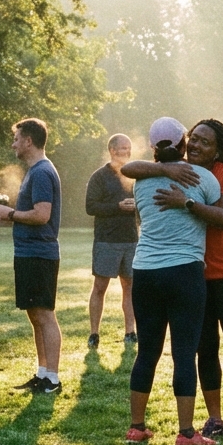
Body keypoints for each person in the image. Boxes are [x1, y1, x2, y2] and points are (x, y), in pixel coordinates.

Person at [125, 121, 223, 441]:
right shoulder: (174, 168)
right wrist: (165, 172)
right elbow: (132, 167)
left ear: (218, 150)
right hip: (195, 275)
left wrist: (188, 203)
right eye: (193, 138)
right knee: (204, 349)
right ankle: (215, 420)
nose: (196, 145)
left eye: (205, 142)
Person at [122, 117, 222, 445]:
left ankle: (137, 427)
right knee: (183, 354)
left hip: (146, 272)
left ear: (152, 148)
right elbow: (220, 215)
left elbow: (138, 208)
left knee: (146, 352)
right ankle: (186, 433)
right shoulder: (204, 178)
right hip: (185, 272)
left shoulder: (140, 182)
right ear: (183, 142)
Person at [0, 118, 64, 394]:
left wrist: (11, 215)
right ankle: (43, 373)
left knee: (44, 315)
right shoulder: (35, 171)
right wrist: (12, 216)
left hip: (39, 254)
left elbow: (42, 215)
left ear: (28, 141)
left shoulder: (42, 172)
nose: (13, 144)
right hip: (28, 253)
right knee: (35, 315)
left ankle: (53, 380)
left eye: (16, 138)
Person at [84, 133, 138, 349]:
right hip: (106, 240)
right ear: (112, 150)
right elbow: (91, 207)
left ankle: (130, 332)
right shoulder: (99, 177)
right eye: (123, 148)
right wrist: (118, 207)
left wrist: (137, 206)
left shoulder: (135, 176)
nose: (127, 151)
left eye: (129, 148)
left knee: (130, 287)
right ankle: (94, 333)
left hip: (131, 239)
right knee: (99, 287)